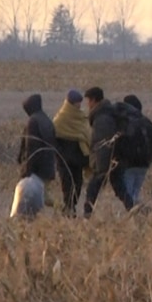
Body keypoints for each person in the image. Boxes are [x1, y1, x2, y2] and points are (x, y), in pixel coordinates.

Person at [83, 87, 132, 217]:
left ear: (94, 100)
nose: (87, 104)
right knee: (119, 188)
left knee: (92, 188)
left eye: (88, 100)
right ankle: (132, 209)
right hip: (115, 159)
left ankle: (87, 214)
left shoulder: (102, 119)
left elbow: (103, 144)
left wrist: (101, 168)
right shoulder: (108, 113)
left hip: (105, 161)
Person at [53, 89, 90, 217]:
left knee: (78, 184)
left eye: (79, 103)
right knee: (67, 184)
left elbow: (86, 133)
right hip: (65, 160)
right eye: (76, 103)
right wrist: (61, 155)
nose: (79, 106)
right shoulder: (60, 119)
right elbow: (54, 140)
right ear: (70, 104)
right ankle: (68, 209)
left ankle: (71, 206)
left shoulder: (81, 117)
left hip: (78, 160)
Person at [121, 95, 152, 207]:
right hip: (144, 164)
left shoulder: (126, 122)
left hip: (128, 164)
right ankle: (138, 217)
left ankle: (136, 215)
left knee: (128, 195)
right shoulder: (148, 123)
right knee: (135, 193)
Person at [17, 93, 57, 184]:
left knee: (39, 196)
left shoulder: (33, 122)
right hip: (48, 167)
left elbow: (31, 148)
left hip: (36, 171)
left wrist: (27, 171)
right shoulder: (46, 120)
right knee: (45, 193)